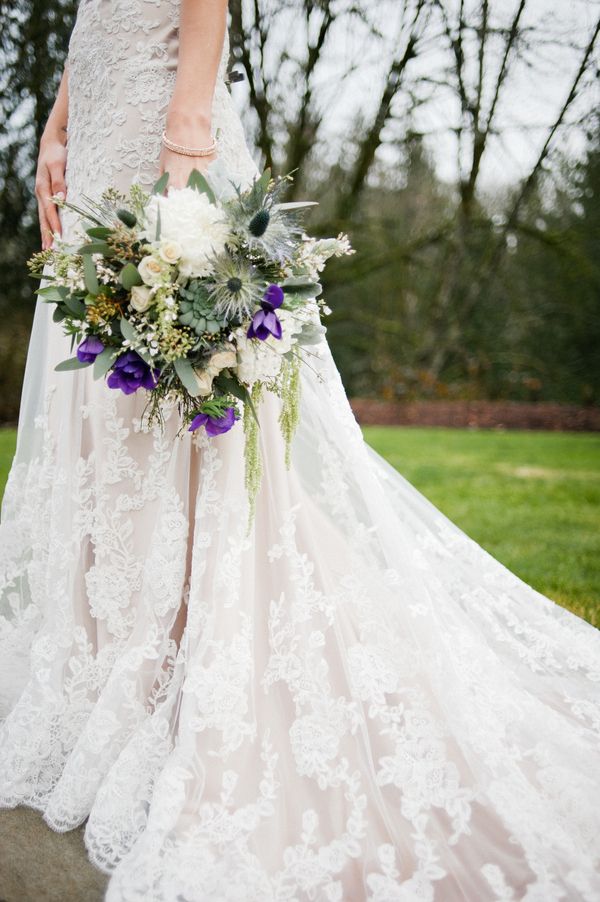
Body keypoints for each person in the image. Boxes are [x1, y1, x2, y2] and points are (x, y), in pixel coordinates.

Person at [1, 2, 599, 900]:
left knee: (188, 408)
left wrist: (185, 161)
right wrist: (57, 124)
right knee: (111, 431)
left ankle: (190, 668)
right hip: (96, 137)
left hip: (163, 137)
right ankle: (120, 672)